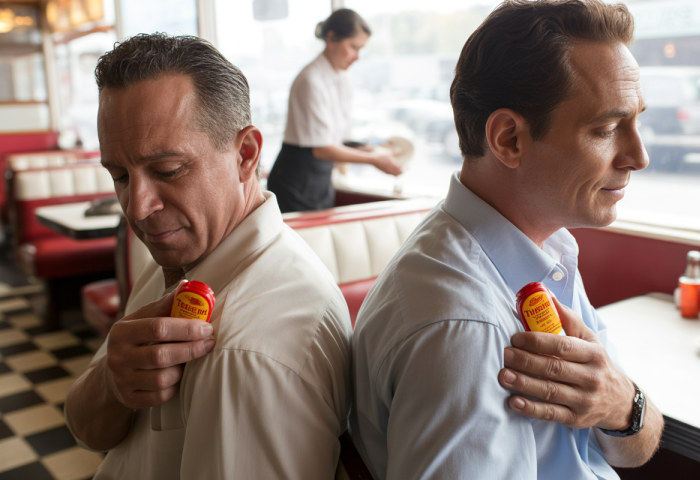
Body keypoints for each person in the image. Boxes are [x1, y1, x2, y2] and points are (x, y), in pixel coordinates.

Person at [350, 1, 664, 478]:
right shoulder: (463, 328)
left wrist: (626, 407)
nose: (638, 156)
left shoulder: (545, 253)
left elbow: (630, 446)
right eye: (605, 129)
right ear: (509, 140)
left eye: (637, 122)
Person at [64, 34, 352, 479]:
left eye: (168, 170)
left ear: (246, 155)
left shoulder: (246, 352)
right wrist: (110, 382)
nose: (137, 207)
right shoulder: (177, 262)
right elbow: (87, 431)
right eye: (120, 175)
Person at [267, 8, 402, 213]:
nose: (357, 57)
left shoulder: (345, 78)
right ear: (331, 39)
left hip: (321, 181)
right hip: (293, 180)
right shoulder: (311, 80)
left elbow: (339, 139)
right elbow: (322, 148)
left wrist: (373, 149)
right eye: (353, 47)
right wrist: (374, 159)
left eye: (360, 49)